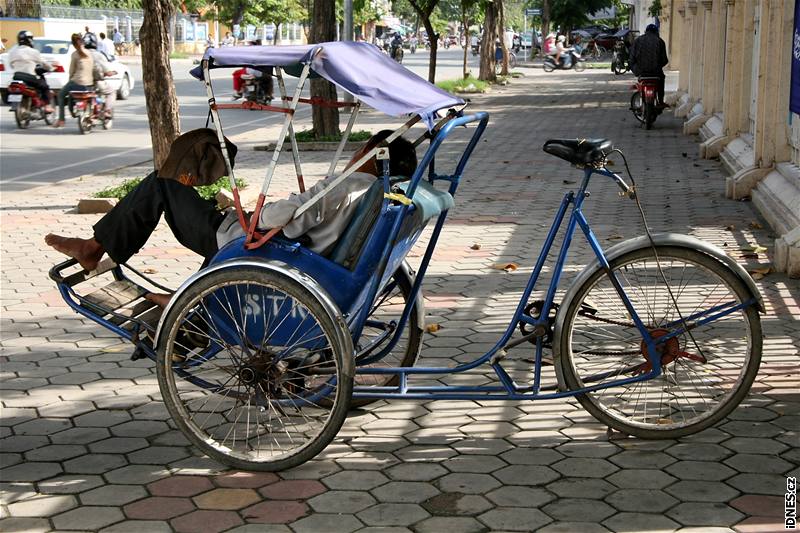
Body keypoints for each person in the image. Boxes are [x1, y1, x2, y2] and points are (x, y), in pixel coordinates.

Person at [45, 129, 418, 303]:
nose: (354, 155)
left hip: (254, 245)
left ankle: (96, 247)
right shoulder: (376, 192)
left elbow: (287, 216)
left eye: (362, 150)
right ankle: (186, 301)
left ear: (373, 155)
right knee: (191, 198)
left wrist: (257, 214)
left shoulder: (347, 185)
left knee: (162, 185)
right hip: (299, 255)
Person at [8, 30, 55, 112]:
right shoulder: (33, 52)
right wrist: (51, 68)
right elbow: (43, 63)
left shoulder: (12, 52)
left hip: (16, 77)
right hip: (29, 78)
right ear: (29, 40)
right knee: (44, 86)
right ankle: (47, 106)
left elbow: (11, 65)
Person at [54, 34, 94, 128]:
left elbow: (71, 71)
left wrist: (69, 82)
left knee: (61, 95)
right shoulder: (89, 53)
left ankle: (61, 120)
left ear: (73, 44)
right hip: (89, 84)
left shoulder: (75, 54)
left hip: (77, 82)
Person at [630, 23, 669, 108]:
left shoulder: (637, 41)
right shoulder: (660, 41)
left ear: (646, 31)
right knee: (661, 80)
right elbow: (665, 60)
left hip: (641, 72)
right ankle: (661, 101)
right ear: (656, 32)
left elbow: (632, 59)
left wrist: (635, 70)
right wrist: (657, 66)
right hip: (656, 73)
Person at [84, 35, 117, 118]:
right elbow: (106, 70)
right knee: (112, 92)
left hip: (81, 84)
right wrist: (111, 72)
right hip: (96, 82)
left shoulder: (79, 54)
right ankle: (107, 110)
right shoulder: (98, 55)